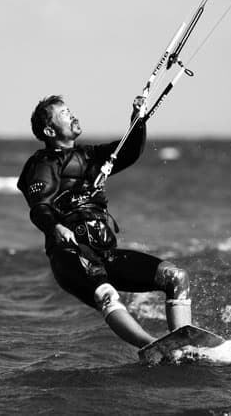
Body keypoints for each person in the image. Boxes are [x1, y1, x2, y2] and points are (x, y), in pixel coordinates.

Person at [17, 95, 193, 348]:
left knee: (176, 277)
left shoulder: (90, 156)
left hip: (105, 254)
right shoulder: (42, 165)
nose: (73, 115)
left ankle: (183, 345)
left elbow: (129, 151)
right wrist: (55, 226)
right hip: (69, 256)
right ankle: (154, 346)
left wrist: (138, 118)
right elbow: (39, 207)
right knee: (106, 294)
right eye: (65, 113)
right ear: (49, 130)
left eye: (70, 110)